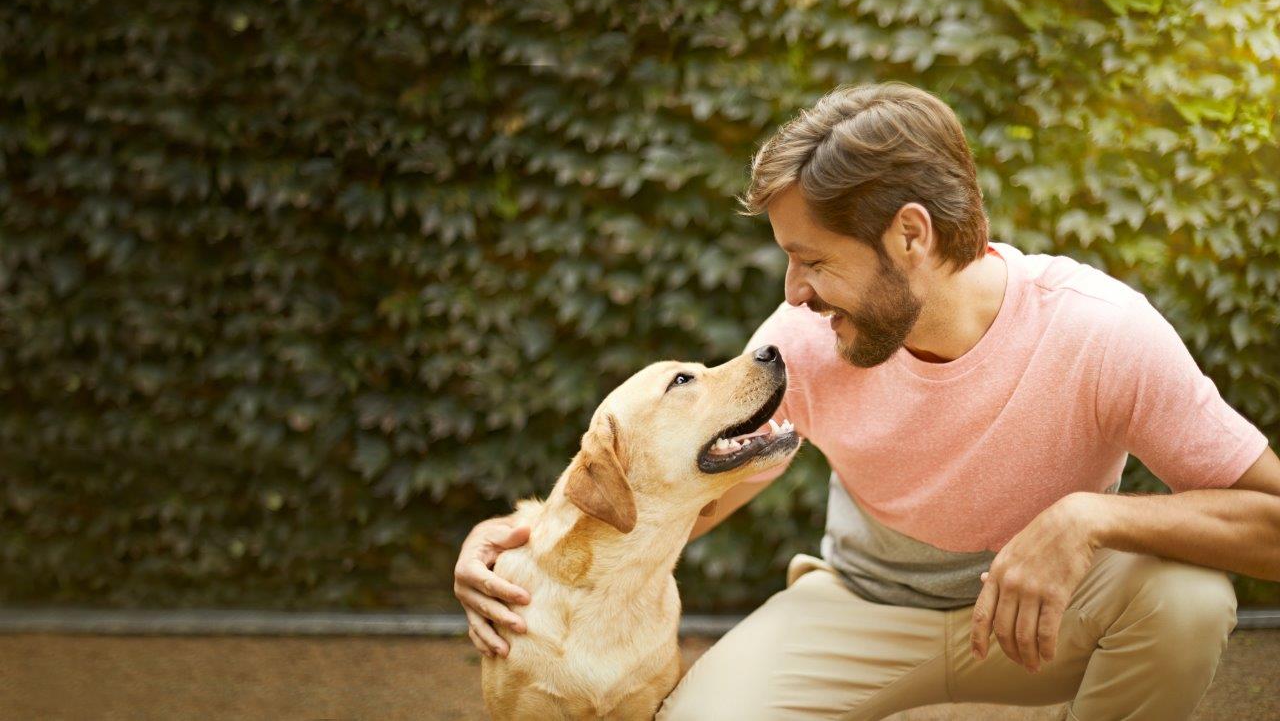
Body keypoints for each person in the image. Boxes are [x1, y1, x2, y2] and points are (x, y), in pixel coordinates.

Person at [453, 82, 1280, 720]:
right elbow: (681, 491)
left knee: (1187, 599)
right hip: (860, 606)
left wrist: (1092, 518)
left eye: (812, 259)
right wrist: (518, 548)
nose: (794, 291)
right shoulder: (802, 340)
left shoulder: (1102, 333)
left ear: (911, 236)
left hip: (1045, 613)